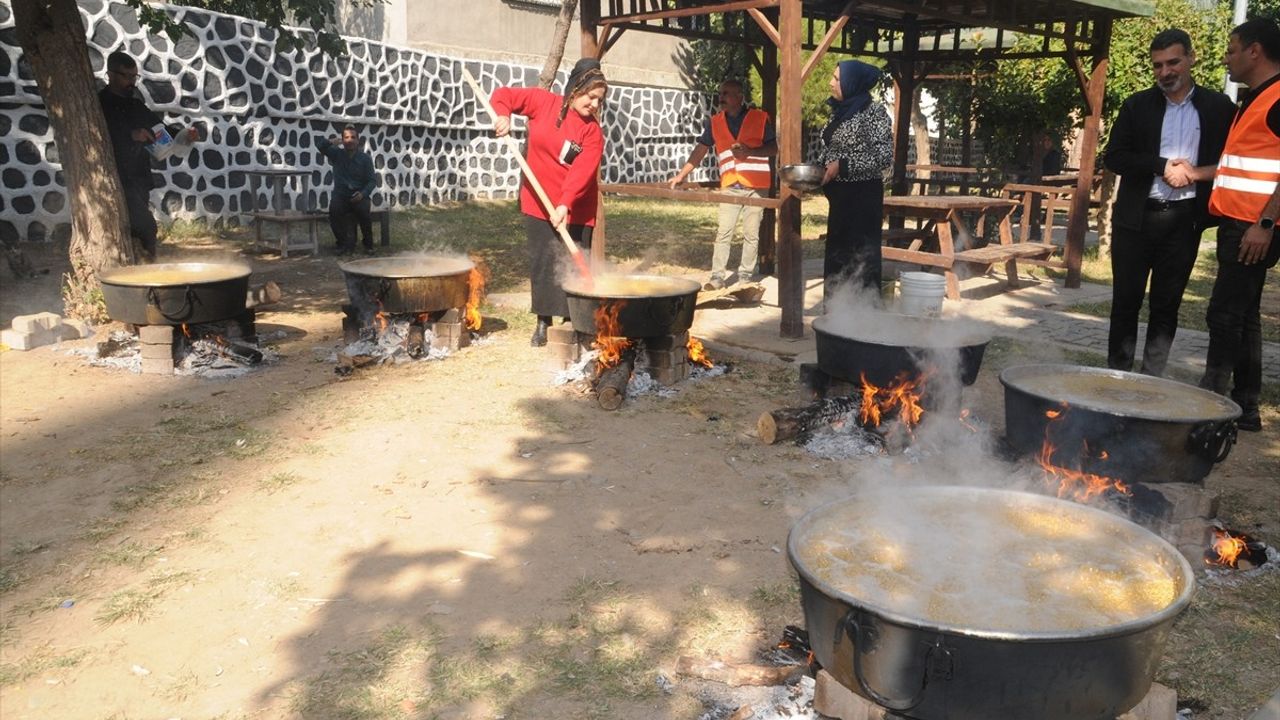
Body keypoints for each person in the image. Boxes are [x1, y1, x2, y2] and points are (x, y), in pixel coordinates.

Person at [1102, 28, 1236, 377]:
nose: (1166, 72)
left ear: (1191, 59)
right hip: (1135, 219)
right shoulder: (1137, 105)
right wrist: (1161, 166)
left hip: (1183, 220)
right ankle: (1117, 376)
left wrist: (1193, 174)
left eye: (1173, 62)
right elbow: (1114, 156)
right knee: (1125, 302)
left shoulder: (1219, 108)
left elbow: (1233, 160)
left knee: (1166, 305)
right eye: (1158, 65)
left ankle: (1151, 380)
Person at [1191, 18, 1280, 432]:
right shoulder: (1256, 97)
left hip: (1253, 226)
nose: (1226, 58)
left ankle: (1211, 403)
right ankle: (1245, 406)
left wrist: (1265, 223)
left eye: (1231, 50)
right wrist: (1194, 173)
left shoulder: (1277, 98)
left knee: (1224, 316)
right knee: (1242, 316)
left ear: (1254, 52)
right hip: (1241, 221)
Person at [491, 58, 608, 346]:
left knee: (572, 258)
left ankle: (574, 320)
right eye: (590, 96)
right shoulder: (543, 103)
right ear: (575, 88)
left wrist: (565, 203)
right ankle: (543, 321)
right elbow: (503, 95)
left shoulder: (592, 131)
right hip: (538, 199)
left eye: (599, 100)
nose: (594, 104)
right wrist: (503, 115)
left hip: (576, 204)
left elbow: (582, 172)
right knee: (543, 259)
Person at [668, 79, 777, 290]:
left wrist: (750, 152)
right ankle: (717, 277)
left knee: (751, 234)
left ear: (739, 97)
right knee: (724, 232)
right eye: (721, 93)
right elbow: (700, 149)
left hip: (757, 186)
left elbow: (774, 148)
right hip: (730, 184)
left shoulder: (759, 118)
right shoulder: (715, 122)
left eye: (726, 93)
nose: (721, 98)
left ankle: (745, 277)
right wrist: (681, 174)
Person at [98, 50, 197, 261]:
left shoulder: (135, 105)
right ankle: (147, 273)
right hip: (115, 177)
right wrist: (130, 135)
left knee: (135, 230)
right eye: (127, 77)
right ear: (111, 75)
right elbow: (99, 135)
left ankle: (137, 272)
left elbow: (159, 129)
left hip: (138, 178)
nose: (132, 82)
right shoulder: (99, 104)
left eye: (135, 77)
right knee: (146, 227)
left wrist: (184, 136)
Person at [817, 60, 893, 302]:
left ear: (852, 82)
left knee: (861, 258)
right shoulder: (840, 111)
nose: (831, 83)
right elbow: (833, 149)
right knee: (838, 258)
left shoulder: (874, 112)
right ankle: (836, 317)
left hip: (862, 198)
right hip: (840, 199)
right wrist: (820, 169)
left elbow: (884, 157)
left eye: (837, 79)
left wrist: (843, 165)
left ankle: (863, 320)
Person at [317, 125, 377, 256]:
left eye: (353, 137)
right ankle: (342, 244)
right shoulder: (336, 153)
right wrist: (332, 141)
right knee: (334, 211)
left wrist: (363, 194)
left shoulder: (365, 159)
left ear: (358, 140)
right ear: (342, 140)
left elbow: (372, 180)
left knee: (363, 212)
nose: (350, 140)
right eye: (346, 137)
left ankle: (368, 244)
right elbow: (320, 146)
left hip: (359, 195)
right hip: (341, 195)